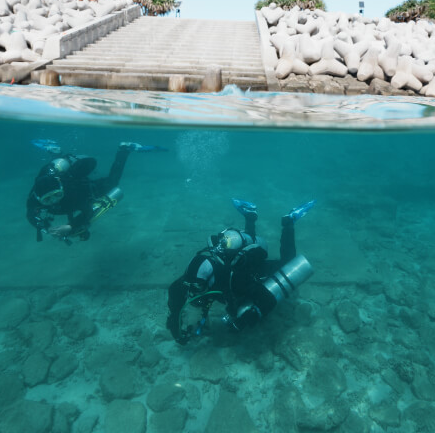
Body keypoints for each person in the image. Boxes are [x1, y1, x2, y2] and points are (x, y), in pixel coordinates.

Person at [166, 198, 316, 345]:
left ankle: (289, 222)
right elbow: (174, 291)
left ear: (209, 279)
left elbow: (268, 299)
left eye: (197, 287)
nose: (192, 292)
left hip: (252, 269)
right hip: (233, 272)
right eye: (191, 287)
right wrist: (174, 322)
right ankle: (250, 215)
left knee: (288, 263)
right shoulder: (194, 277)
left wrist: (244, 321)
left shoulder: (236, 280)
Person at [26, 141, 164, 244]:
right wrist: (45, 228)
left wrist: (70, 226)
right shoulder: (34, 198)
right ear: (38, 198)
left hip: (82, 187)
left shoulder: (73, 194)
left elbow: (88, 211)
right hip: (61, 181)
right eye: (48, 199)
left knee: (112, 182)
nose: (55, 201)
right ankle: (56, 154)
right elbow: (31, 214)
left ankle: (124, 150)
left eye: (57, 195)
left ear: (61, 189)